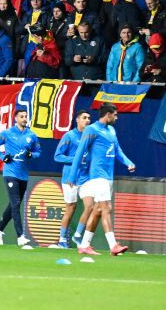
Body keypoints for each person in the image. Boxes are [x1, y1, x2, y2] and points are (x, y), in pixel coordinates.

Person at [71, 102, 135, 256]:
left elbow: (117, 150)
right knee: (107, 208)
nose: (117, 118)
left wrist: (128, 162)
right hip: (98, 176)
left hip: (108, 176)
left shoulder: (111, 130)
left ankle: (84, 244)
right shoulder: (91, 130)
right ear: (108, 115)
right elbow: (79, 152)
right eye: (115, 115)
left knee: (99, 210)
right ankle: (113, 245)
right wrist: (73, 176)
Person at [0, 108, 42, 248]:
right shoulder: (7, 133)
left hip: (23, 175)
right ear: (16, 119)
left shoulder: (31, 135)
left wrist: (32, 155)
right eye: (22, 116)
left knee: (15, 205)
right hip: (10, 173)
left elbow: (38, 152)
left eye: (26, 116)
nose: (25, 119)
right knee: (16, 203)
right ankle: (20, 236)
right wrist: (2, 157)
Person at [53, 110, 93, 249]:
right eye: (84, 117)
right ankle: (62, 239)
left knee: (90, 206)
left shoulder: (91, 137)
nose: (87, 120)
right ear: (77, 120)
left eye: (89, 118)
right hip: (70, 178)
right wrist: (75, 159)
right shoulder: (69, 136)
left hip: (85, 178)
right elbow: (57, 156)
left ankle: (78, 235)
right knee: (70, 208)